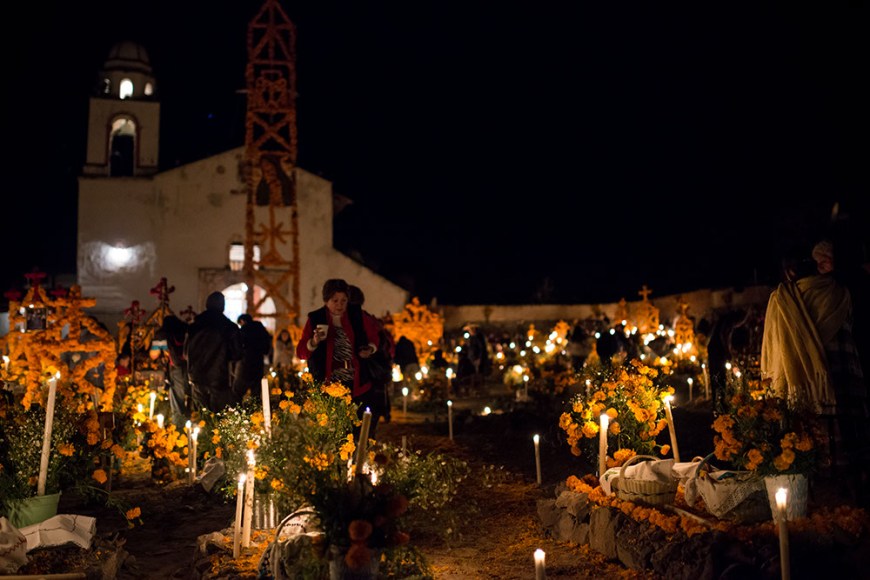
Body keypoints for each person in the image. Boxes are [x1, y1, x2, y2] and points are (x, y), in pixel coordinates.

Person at [761, 240, 867, 502]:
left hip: (801, 390)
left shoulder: (782, 299)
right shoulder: (840, 293)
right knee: (850, 448)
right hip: (840, 383)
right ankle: (854, 497)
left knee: (807, 444)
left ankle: (811, 497)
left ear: (791, 271)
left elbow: (773, 350)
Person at [296, 279, 384, 438]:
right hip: (328, 382)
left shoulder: (356, 315)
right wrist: (314, 342)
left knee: (355, 427)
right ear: (326, 300)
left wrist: (369, 349)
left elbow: (374, 336)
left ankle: (354, 458)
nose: (339, 304)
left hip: (356, 381)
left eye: (343, 300)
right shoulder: (316, 318)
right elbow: (301, 352)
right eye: (335, 300)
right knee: (333, 428)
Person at [185, 291, 244, 413]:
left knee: (200, 416)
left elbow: (186, 352)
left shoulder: (194, 326)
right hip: (219, 376)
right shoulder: (229, 327)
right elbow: (237, 354)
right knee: (218, 418)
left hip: (196, 376)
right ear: (223, 306)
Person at [156, 314, 191, 430]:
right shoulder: (186, 329)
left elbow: (153, 354)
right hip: (191, 367)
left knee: (177, 398)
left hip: (176, 367)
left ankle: (179, 427)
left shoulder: (164, 333)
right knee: (192, 396)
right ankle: (193, 423)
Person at [234, 314, 274, 402]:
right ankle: (255, 413)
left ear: (242, 321)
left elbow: (238, 347)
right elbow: (267, 346)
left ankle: (238, 412)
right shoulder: (261, 329)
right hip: (258, 363)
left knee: (238, 392)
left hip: (245, 364)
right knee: (255, 393)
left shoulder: (243, 330)